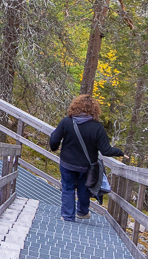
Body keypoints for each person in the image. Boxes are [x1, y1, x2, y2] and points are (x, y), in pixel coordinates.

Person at [49, 94, 125, 222]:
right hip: (86, 166)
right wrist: (120, 152)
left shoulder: (66, 122)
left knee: (68, 188)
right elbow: (106, 150)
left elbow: (54, 141)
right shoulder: (97, 128)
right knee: (84, 188)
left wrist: (55, 146)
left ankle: (67, 216)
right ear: (94, 110)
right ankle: (82, 212)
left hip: (67, 163)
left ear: (75, 106)